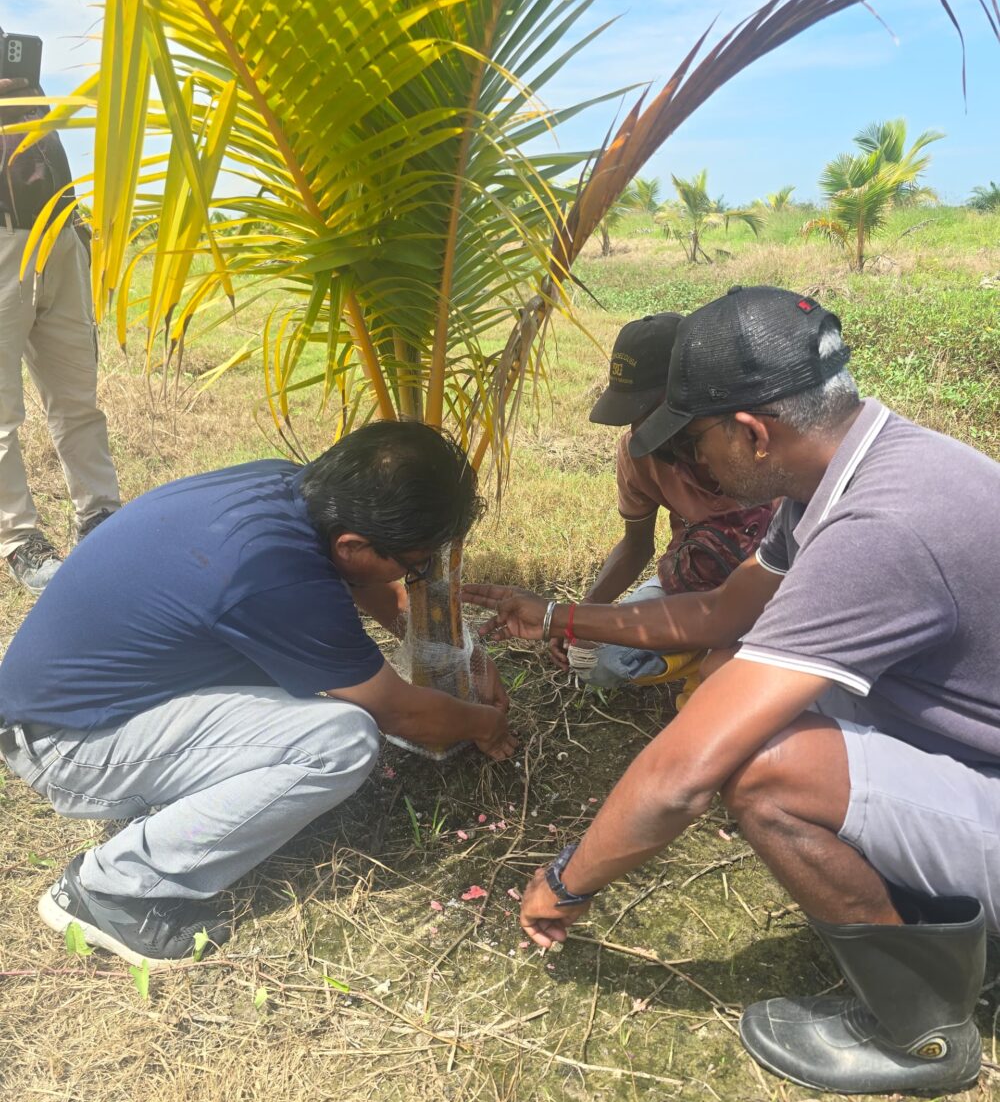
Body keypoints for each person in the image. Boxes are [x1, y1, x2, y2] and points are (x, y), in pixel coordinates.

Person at [465, 284, 999, 1095]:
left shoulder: (876, 530)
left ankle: (920, 1028)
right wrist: (557, 616)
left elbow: (686, 771)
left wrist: (569, 880)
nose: (693, 466)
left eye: (695, 442)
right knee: (727, 679)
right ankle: (939, 916)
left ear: (751, 432)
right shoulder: (862, 468)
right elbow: (720, 612)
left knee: (757, 767)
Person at [0, 422, 515, 967]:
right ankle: (109, 888)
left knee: (308, 688)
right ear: (352, 544)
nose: (419, 575)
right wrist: (483, 723)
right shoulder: (273, 577)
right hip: (69, 749)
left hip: (76, 704)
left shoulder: (290, 490)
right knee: (341, 742)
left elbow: (370, 586)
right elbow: (400, 713)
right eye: (416, 565)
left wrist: (466, 660)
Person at [554, 312, 772, 706]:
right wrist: (579, 616)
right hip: (693, 586)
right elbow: (636, 545)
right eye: (630, 416)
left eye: (647, 412)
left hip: (772, 588)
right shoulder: (638, 454)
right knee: (594, 658)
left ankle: (726, 655)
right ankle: (706, 651)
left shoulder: (751, 435)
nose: (639, 430)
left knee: (735, 683)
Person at [0, 70, 121, 594]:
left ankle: (100, 518)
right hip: (3, 241)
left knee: (78, 400)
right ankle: (18, 539)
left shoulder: (15, 59)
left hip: (61, 236)